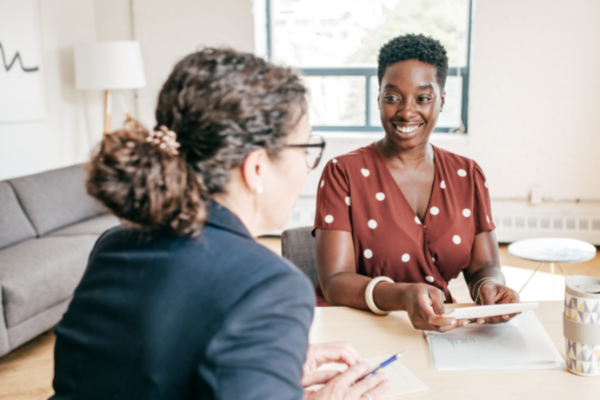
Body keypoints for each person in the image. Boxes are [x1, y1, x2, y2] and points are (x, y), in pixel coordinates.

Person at [51, 48, 389, 400]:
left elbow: (139, 368)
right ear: (256, 167)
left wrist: (262, 362)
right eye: (304, 149)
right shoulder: (269, 287)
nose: (307, 168)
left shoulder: (115, 242)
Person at [314, 34, 520, 332]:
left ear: (441, 100)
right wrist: (401, 295)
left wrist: (490, 286)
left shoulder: (468, 174)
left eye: (423, 98)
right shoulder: (343, 172)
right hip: (359, 329)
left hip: (437, 328)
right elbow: (334, 282)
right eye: (392, 97)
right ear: (379, 99)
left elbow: (483, 267)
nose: (407, 111)